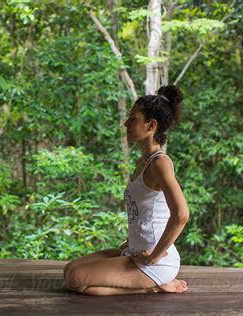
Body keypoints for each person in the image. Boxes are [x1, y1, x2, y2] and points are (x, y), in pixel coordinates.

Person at [64, 85, 189, 296]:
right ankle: (150, 283)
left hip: (154, 261)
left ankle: (154, 285)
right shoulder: (143, 161)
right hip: (134, 251)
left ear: (151, 125)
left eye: (133, 119)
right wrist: (132, 241)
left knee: (76, 280)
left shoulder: (160, 164)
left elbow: (181, 215)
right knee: (70, 270)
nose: (126, 124)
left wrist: (153, 257)